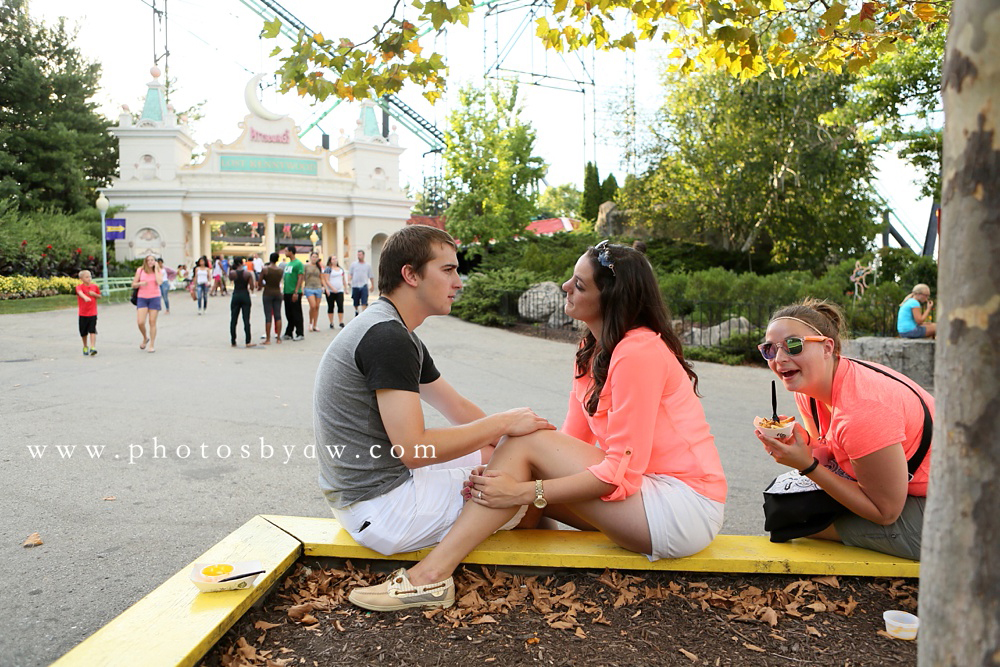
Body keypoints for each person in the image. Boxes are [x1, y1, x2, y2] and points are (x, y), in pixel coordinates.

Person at [346, 239, 727, 612]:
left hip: (683, 508)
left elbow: (617, 475)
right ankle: (539, 585)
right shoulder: (592, 351)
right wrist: (508, 477)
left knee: (523, 449)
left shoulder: (638, 350)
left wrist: (523, 490)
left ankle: (429, 576)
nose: (566, 287)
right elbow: (567, 444)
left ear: (610, 297)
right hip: (642, 500)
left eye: (579, 284)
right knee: (523, 453)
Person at [314, 225, 554, 563]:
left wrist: (513, 439)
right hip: (381, 508)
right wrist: (503, 424)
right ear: (411, 275)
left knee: (508, 455)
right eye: (448, 270)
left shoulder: (396, 330)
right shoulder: (388, 338)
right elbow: (413, 449)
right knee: (522, 487)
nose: (459, 282)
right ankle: (546, 571)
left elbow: (455, 406)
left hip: (370, 492)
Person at [754, 298, 933, 560]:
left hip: (963, 510)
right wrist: (805, 444)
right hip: (908, 492)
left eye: (794, 345)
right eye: (770, 349)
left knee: (792, 520)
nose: (780, 358)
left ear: (827, 347)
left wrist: (807, 466)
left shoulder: (861, 412)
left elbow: (886, 512)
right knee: (785, 505)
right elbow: (830, 453)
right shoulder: (812, 388)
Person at [132, 254, 162, 353]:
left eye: (152, 260)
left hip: (154, 297)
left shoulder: (157, 271)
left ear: (155, 261)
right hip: (142, 298)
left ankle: (151, 345)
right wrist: (141, 283)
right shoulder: (140, 270)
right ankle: (145, 337)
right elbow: (134, 284)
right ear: (145, 261)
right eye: (148, 260)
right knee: (140, 322)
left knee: (152, 322)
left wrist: (157, 268)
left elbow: (159, 282)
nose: (150, 262)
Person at [259, 252, 284, 345]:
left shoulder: (265, 269)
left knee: (268, 316)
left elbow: (260, 282)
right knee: (278, 315)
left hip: (268, 293)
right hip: (277, 293)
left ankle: (268, 339)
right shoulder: (280, 270)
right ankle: (278, 338)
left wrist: (265, 285)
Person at [75, 270, 101, 356]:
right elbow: (80, 293)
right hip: (83, 313)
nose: (89, 278)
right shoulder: (79, 287)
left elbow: (99, 296)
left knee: (92, 330)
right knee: (83, 332)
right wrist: (85, 297)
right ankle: (85, 346)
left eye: (90, 276)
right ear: (81, 279)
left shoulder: (94, 287)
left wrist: (94, 294)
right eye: (86, 277)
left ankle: (93, 347)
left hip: (93, 312)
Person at [282, 245, 305, 341]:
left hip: (294, 292)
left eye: (286, 251)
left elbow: (300, 277)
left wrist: (296, 291)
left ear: (291, 252)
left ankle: (300, 333)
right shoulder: (288, 264)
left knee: (296, 313)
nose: (285, 252)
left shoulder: (298, 263)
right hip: (287, 292)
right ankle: (289, 332)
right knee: (289, 313)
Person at [303, 252, 325, 332]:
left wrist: (325, 287)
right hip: (309, 287)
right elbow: (303, 277)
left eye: (316, 257)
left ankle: (315, 324)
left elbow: (322, 278)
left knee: (317, 307)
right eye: (313, 257)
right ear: (310, 257)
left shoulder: (319, 266)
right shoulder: (306, 266)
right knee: (313, 305)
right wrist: (302, 287)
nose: (314, 258)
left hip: (318, 287)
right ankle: (310, 323)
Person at [349, 249, 374, 316]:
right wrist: (349, 281)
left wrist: (372, 285)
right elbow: (350, 274)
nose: (359, 256)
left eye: (360, 255)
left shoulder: (367, 265)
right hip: (355, 285)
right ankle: (356, 310)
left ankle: (363, 314)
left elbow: (371, 276)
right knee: (355, 301)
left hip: (364, 285)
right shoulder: (354, 264)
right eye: (358, 255)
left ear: (363, 255)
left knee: (364, 301)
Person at [324, 255, 346, 328]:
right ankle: (331, 322)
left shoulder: (340, 269)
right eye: (333, 259)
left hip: (340, 290)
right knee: (331, 306)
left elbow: (343, 279)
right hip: (331, 291)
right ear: (330, 261)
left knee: (340, 305)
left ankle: (341, 321)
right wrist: (332, 288)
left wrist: (345, 288)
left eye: (335, 259)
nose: (334, 260)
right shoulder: (328, 269)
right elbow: (326, 280)